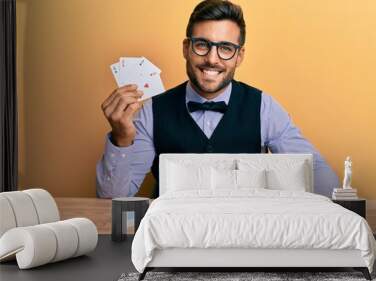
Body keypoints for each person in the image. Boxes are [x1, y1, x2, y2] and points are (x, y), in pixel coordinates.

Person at [96, 0, 339, 198]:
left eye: (225, 48)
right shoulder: (151, 111)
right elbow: (113, 200)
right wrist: (121, 138)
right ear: (186, 48)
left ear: (239, 56)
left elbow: (317, 173)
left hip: (245, 236)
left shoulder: (264, 107)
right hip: (171, 236)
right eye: (202, 45)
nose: (212, 59)